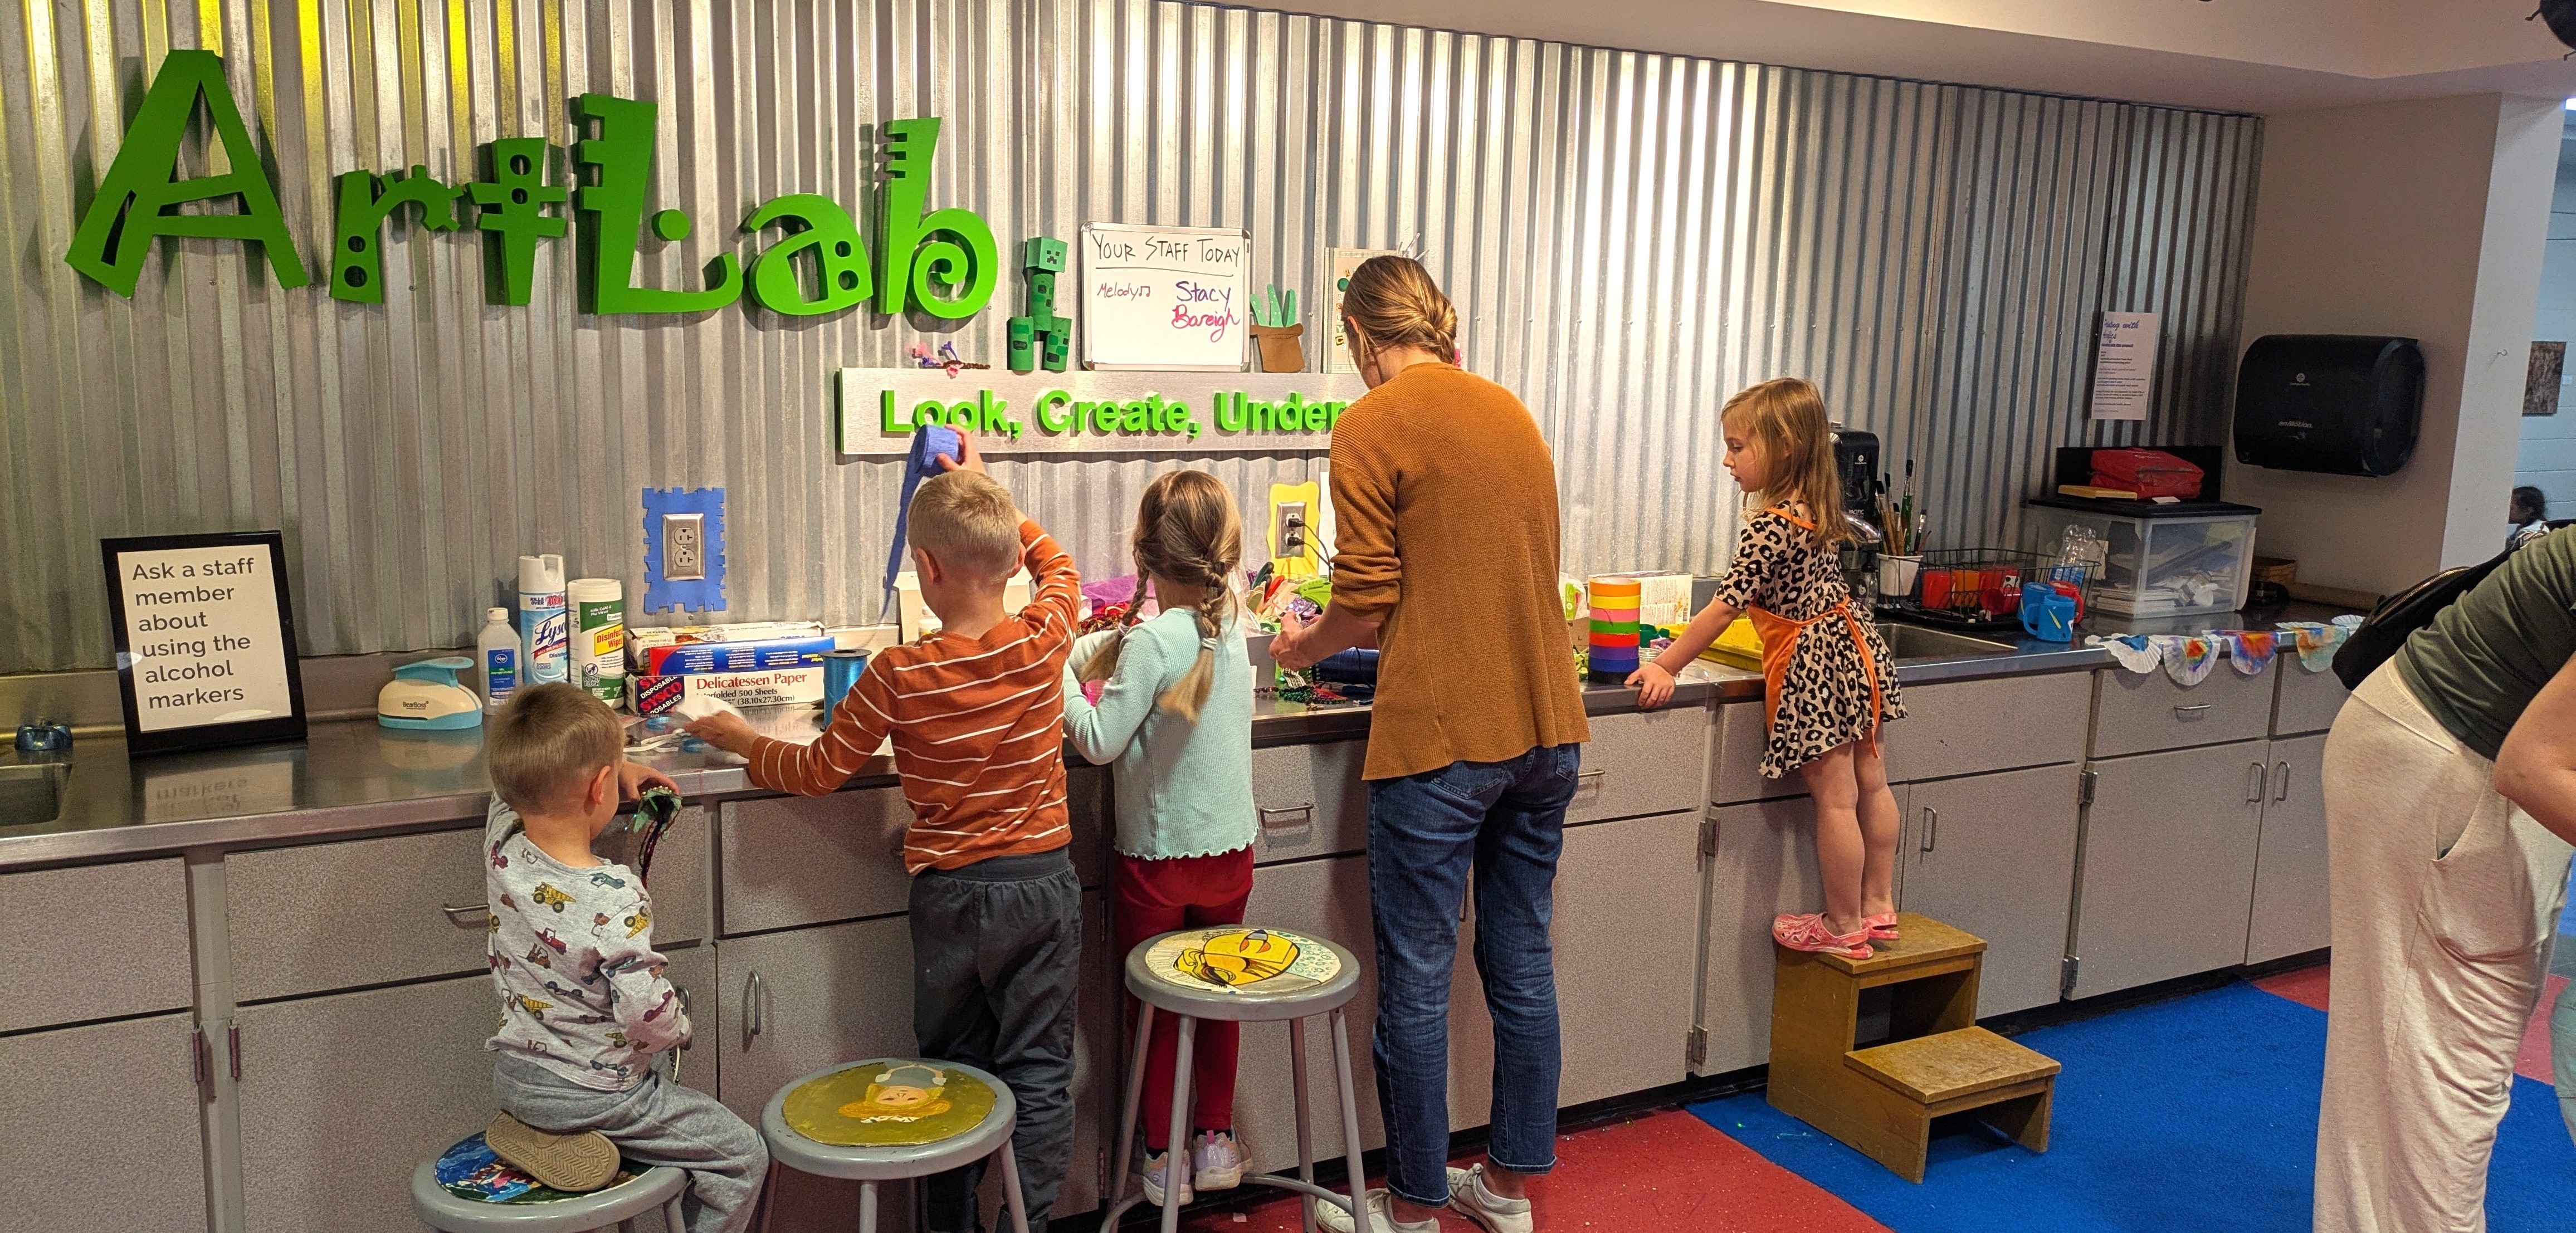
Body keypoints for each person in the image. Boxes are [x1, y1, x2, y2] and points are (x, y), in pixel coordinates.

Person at [685, 435, 1083, 1233]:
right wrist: (984, 489)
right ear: (1009, 564)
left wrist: (734, 735)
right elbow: (1061, 568)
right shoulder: (1046, 638)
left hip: (951, 898)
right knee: (1039, 1074)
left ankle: (948, 1223)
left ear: (926, 570)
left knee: (947, 1075)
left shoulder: (899, 674)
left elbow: (819, 770)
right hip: (1042, 885)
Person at [1269, 255, 1589, 1233]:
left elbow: (1365, 597)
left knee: (1412, 977)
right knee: (1519, 960)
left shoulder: (1371, 421)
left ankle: (1406, 1210)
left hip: (1444, 735)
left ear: (1360, 335)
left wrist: (1301, 642)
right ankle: (1502, 1188)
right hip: (1546, 727)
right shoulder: (1508, 410)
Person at [2316, 525, 2576, 1231]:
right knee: (2435, 1072)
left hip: (2489, 758)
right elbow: (2533, 767)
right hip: (2444, 759)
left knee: (2453, 1066)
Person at [1629, 378, 1906, 959]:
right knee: (1872, 785)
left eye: (1737, 447)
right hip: (1857, 652)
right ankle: (1879, 907)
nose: (1726, 461)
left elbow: (1723, 605)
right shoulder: (1818, 508)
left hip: (1813, 666)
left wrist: (1666, 665)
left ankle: (1841, 923)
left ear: (1783, 446)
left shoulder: (1770, 522)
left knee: (1834, 801)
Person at [481, 683, 768, 1233]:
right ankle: (590, 1131)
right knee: (741, 1158)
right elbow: (645, 1015)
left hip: (517, 1077)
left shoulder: (503, 848)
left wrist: (612, 772)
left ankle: (543, 1130)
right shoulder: (613, 895)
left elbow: (507, 793)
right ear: (597, 787)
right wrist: (679, 1027)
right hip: (599, 1095)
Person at [1061, 468, 1260, 1209]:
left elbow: (1101, 740)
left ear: (1143, 555)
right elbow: (1153, 665)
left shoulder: (1152, 640)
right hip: (1230, 856)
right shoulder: (1230, 630)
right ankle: (1215, 1138)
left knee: (1158, 1005)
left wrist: (1059, 678)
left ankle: (1160, 1153)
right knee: (1217, 993)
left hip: (1156, 864)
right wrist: (1104, 650)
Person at [2511, 484, 2550, 550]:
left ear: (2528, 510)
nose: (2507, 512)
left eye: (2511, 508)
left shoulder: (2529, 534)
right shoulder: (2539, 524)